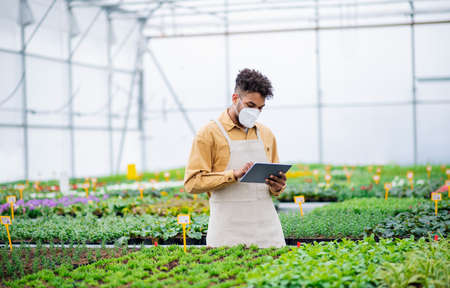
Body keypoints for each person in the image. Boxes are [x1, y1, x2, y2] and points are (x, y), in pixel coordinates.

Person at [184, 68, 286, 248]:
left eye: (260, 108)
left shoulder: (266, 134)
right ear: (235, 99)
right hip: (227, 232)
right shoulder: (209, 134)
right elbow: (192, 183)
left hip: (267, 230)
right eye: (250, 105)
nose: (255, 112)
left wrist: (277, 186)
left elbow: (274, 188)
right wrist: (233, 175)